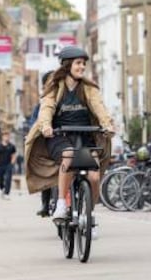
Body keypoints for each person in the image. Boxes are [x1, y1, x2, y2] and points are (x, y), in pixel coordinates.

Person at [24, 45, 114, 236]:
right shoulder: (55, 87)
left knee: (94, 176)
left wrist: (106, 124)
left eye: (83, 64)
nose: (82, 67)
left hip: (85, 136)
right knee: (68, 156)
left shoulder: (88, 89)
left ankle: (89, 215)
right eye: (78, 63)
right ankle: (61, 204)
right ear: (68, 65)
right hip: (60, 136)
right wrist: (46, 125)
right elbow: (47, 107)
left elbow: (99, 107)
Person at [30, 70, 55, 217]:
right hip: (47, 141)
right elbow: (34, 123)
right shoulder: (41, 105)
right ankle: (46, 203)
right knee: (46, 167)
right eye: (50, 82)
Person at [0, 132, 16, 200]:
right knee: (0, 178)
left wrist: (12, 164)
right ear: (3, 137)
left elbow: (13, 155)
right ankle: (2, 188)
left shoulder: (12, 146)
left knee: (8, 178)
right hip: (0, 165)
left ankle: (7, 193)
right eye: (5, 136)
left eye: (8, 136)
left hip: (8, 165)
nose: (7, 137)